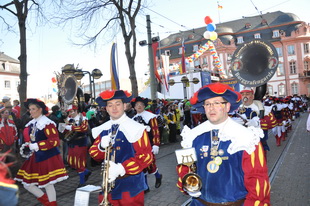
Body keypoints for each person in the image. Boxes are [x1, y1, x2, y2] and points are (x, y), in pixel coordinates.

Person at [176, 83, 270, 205]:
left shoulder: (246, 137)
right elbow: (184, 168)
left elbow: (257, 180)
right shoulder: (192, 135)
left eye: (217, 103)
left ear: (227, 107)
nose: (211, 108)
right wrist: (187, 185)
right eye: (208, 104)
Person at [89, 90, 153, 205]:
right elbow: (94, 154)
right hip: (108, 188)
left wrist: (122, 168)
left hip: (130, 187)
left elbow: (146, 157)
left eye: (117, 104)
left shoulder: (136, 128)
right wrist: (101, 147)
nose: (114, 108)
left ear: (124, 106)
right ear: (106, 109)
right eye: (110, 105)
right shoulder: (103, 129)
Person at [14, 98, 68, 206]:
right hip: (35, 156)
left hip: (47, 156)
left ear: (40, 110)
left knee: (48, 184)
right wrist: (29, 146)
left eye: (33, 109)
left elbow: (54, 141)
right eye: (30, 109)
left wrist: (37, 145)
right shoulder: (32, 123)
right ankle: (48, 203)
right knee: (27, 184)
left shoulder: (47, 123)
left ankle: (51, 204)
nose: (31, 111)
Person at [131, 96, 163, 192]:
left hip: (149, 144)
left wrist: (156, 144)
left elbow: (155, 130)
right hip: (138, 146)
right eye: (137, 105)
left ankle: (158, 176)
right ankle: (145, 186)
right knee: (141, 165)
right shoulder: (133, 119)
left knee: (150, 164)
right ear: (134, 107)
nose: (139, 106)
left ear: (144, 106)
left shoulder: (151, 116)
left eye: (141, 105)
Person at [59, 104, 92, 187]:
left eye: (71, 111)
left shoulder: (83, 118)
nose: (70, 113)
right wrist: (63, 128)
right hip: (71, 142)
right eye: (69, 112)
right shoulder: (69, 119)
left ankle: (82, 182)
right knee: (71, 161)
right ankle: (86, 172)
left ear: (76, 110)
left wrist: (71, 128)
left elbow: (84, 128)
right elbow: (65, 132)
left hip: (80, 142)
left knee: (79, 163)